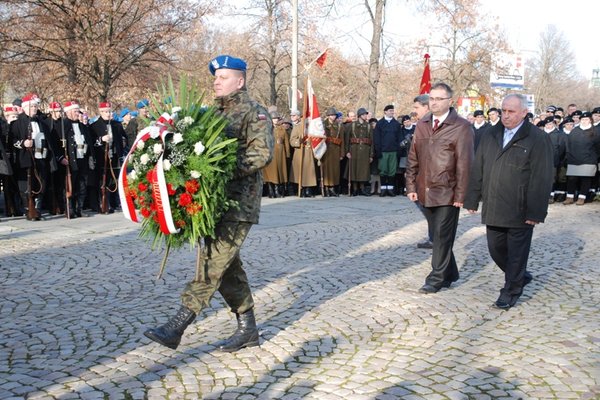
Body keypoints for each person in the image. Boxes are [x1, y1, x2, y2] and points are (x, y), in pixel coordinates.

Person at [144, 54, 274, 352]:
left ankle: (176, 327)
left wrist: (220, 168)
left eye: (223, 77)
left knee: (211, 265)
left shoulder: (254, 113)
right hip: (212, 204)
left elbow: (261, 154)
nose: (217, 81)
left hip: (239, 204)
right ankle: (248, 330)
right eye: (216, 77)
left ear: (239, 81)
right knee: (228, 268)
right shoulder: (210, 114)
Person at [464, 94, 554, 309]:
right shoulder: (489, 134)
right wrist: (472, 198)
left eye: (511, 111)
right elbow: (479, 167)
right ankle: (519, 276)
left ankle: (511, 290)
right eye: (503, 110)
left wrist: (536, 212)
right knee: (496, 249)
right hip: (494, 203)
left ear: (524, 112)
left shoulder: (537, 138)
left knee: (516, 253)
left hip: (520, 207)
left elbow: (542, 177)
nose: (506, 115)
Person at [405, 82, 474, 293]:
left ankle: (435, 278)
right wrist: (410, 185)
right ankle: (450, 272)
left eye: (439, 99)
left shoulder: (461, 127)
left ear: (449, 101)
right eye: (431, 99)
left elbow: (465, 163)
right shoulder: (422, 124)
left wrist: (461, 195)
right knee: (437, 234)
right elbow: (413, 157)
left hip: (448, 190)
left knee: (442, 236)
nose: (434, 103)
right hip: (424, 189)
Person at [10, 93, 58, 220]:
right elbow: (12, 141)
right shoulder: (17, 123)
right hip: (26, 159)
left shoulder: (42, 123)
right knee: (26, 186)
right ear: (25, 107)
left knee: (41, 183)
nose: (34, 109)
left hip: (41, 157)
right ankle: (28, 209)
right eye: (32, 107)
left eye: (36, 106)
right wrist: (23, 143)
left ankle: (37, 209)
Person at [89, 101, 125, 213]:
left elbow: (123, 138)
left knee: (115, 180)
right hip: (102, 158)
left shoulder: (117, 125)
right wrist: (101, 139)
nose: (108, 114)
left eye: (109, 111)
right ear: (100, 112)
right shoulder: (94, 126)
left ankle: (115, 203)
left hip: (114, 156)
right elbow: (91, 141)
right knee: (104, 181)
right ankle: (104, 203)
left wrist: (122, 145)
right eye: (105, 112)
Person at [562, 112, 600, 205]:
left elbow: (598, 147)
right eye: (582, 119)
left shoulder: (595, 131)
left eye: (586, 119)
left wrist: (595, 158)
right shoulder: (575, 130)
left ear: (590, 120)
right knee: (571, 179)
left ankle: (582, 198)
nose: (584, 121)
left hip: (588, 160)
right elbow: (569, 144)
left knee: (585, 179)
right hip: (573, 159)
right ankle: (570, 197)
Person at [373, 105, 402, 197]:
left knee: (392, 171)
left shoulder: (396, 124)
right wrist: (378, 151)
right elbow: (377, 138)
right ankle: (383, 189)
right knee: (383, 170)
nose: (392, 112)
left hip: (393, 151)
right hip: (383, 151)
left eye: (393, 111)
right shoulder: (380, 124)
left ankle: (390, 189)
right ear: (385, 111)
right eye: (390, 111)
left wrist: (398, 151)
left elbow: (399, 138)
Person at [345, 107, 373, 196]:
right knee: (354, 170)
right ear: (360, 115)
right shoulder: (352, 125)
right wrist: (347, 151)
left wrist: (371, 155)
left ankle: (362, 189)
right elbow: (347, 140)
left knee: (363, 171)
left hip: (365, 151)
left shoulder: (368, 126)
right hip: (354, 150)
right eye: (364, 114)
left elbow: (372, 141)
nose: (366, 116)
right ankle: (355, 189)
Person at [262, 111, 289, 198]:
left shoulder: (282, 129)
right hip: (270, 153)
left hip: (280, 154)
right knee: (270, 174)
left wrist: (287, 154)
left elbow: (286, 143)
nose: (275, 120)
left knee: (279, 172)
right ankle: (271, 191)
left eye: (276, 118)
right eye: (273, 118)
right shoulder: (266, 128)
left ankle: (277, 190)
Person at [321, 107, 345, 197]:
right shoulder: (323, 125)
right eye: (331, 115)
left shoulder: (339, 126)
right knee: (326, 170)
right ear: (328, 116)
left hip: (335, 150)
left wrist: (342, 153)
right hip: (325, 150)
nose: (333, 116)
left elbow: (342, 140)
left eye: (334, 115)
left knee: (335, 170)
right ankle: (326, 188)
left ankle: (333, 188)